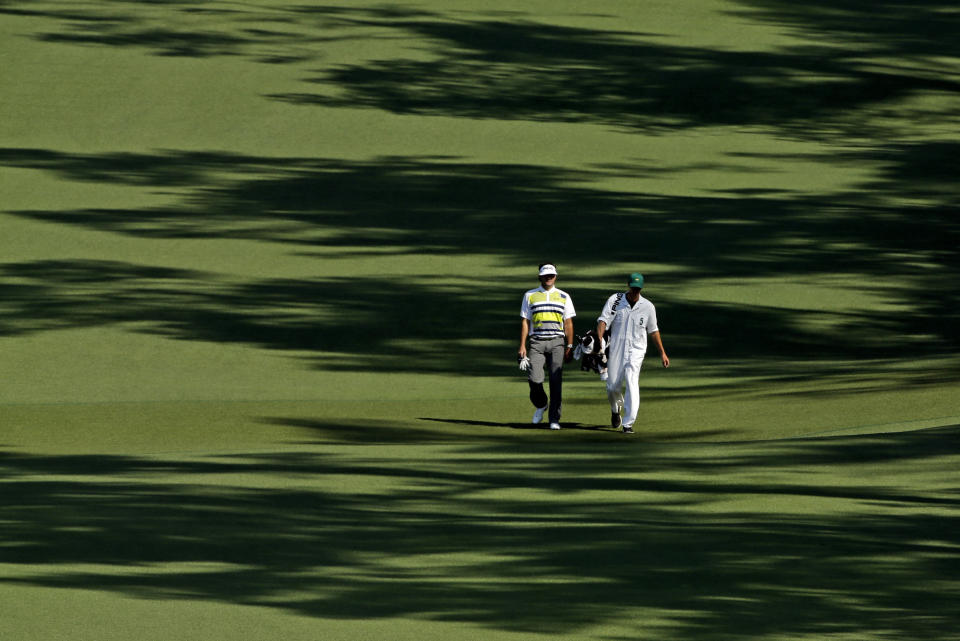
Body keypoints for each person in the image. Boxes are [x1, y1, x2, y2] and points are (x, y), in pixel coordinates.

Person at [596, 272, 669, 434]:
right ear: (628, 286)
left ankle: (628, 423)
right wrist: (599, 344)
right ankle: (616, 411)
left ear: (641, 288)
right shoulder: (615, 300)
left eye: (638, 288)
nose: (635, 291)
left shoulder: (648, 307)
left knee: (631, 380)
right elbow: (603, 321)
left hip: (636, 350)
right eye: (633, 287)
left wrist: (662, 353)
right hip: (616, 348)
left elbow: (654, 331)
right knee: (612, 386)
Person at [519, 263, 576, 430]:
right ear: (540, 277)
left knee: (555, 382)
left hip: (557, 342)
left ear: (556, 276)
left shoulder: (564, 296)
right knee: (534, 379)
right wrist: (522, 345)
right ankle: (542, 404)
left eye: (552, 275)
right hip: (536, 342)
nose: (549, 277)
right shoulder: (530, 295)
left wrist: (570, 345)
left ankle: (554, 419)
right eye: (546, 275)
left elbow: (568, 323)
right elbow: (525, 321)